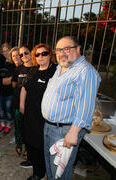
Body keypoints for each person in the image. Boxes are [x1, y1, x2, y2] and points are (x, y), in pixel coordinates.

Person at [41, 36, 101, 180]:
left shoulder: (85, 71)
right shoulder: (61, 67)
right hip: (50, 126)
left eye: (66, 49)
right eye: (58, 50)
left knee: (59, 174)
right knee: (50, 168)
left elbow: (86, 105)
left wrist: (74, 132)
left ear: (78, 49)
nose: (61, 53)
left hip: (64, 130)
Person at [20, 44, 56, 180]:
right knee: (28, 139)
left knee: (38, 143)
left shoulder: (55, 71)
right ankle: (33, 160)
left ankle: (39, 174)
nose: (40, 56)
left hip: (43, 117)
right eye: (37, 54)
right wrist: (22, 105)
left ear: (50, 55)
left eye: (44, 54)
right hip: (29, 113)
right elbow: (25, 87)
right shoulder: (34, 70)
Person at [11, 46, 33, 160]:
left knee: (29, 129)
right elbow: (14, 84)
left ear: (31, 53)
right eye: (21, 55)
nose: (23, 56)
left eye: (26, 53)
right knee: (18, 127)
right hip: (17, 104)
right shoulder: (18, 69)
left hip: (31, 106)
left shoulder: (37, 69)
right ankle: (19, 145)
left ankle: (29, 150)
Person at [0, 43, 15, 134]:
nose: (5, 53)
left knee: (8, 110)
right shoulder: (1, 62)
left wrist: (2, 80)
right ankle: (2, 123)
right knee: (1, 109)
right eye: (3, 51)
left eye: (7, 50)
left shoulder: (14, 63)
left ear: (10, 50)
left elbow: (11, 80)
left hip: (10, 92)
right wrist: (2, 81)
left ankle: (8, 125)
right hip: (0, 91)